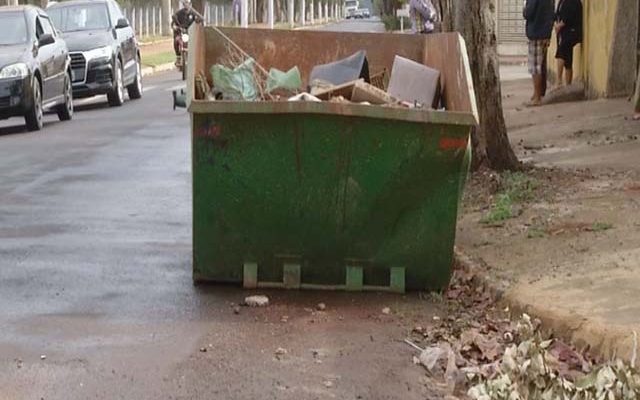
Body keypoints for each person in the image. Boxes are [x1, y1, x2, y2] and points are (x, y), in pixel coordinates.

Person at [523, 0, 555, 106]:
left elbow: (528, 13)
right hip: (545, 33)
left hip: (536, 32)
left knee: (535, 67)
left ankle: (537, 98)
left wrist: (525, 9)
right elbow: (552, 14)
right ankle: (538, 94)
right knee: (541, 65)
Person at [554, 0, 583, 89]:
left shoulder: (573, 2)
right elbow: (557, 15)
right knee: (567, 58)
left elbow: (568, 17)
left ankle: (559, 81)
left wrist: (559, 26)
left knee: (561, 54)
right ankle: (568, 85)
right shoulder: (561, 2)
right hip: (564, 33)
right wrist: (556, 24)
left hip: (571, 32)